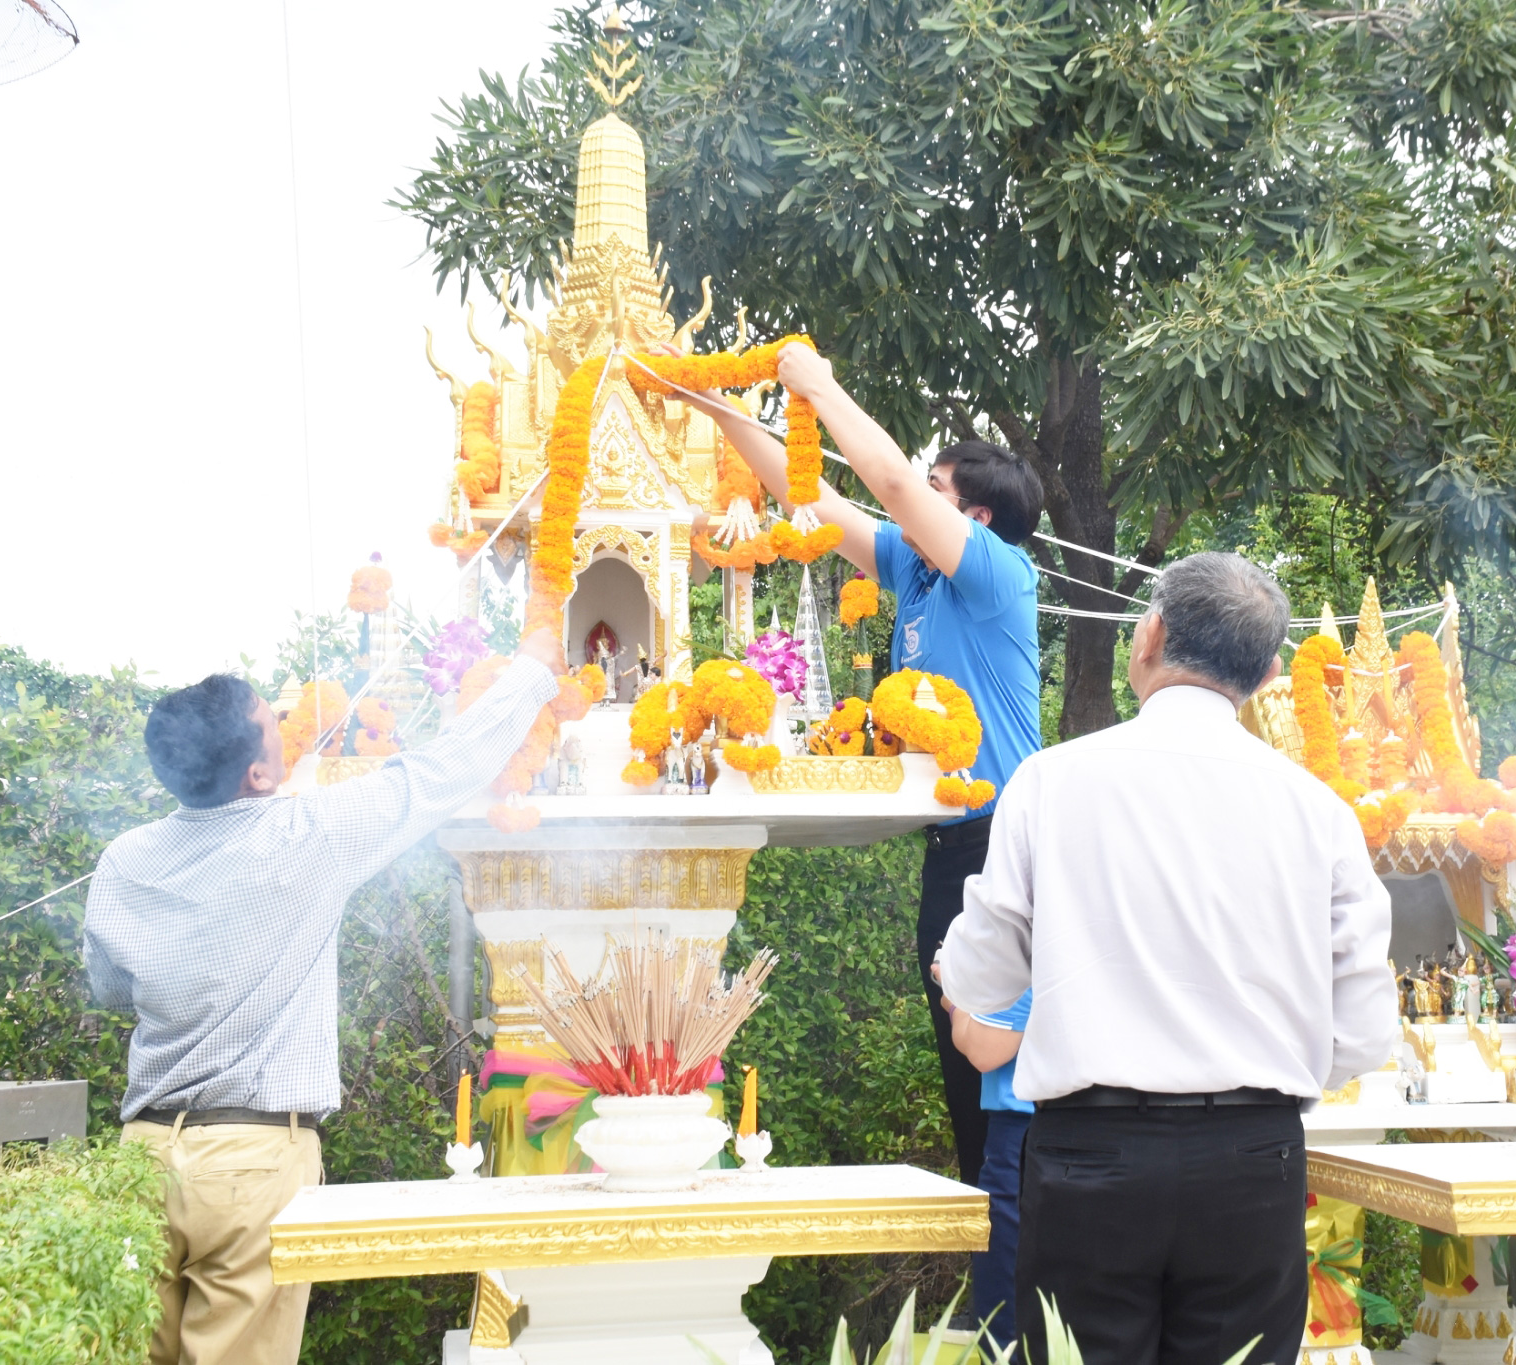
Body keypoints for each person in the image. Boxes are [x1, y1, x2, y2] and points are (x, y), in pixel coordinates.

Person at [938, 553, 1395, 1365]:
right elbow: (1362, 1034)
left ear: (1147, 635)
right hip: (1253, 1157)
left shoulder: (1050, 781)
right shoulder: (1321, 811)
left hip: (1090, 1156)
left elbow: (982, 977)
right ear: (1268, 674)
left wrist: (963, 979)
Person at [84, 628, 567, 1365]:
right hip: (251, 1163)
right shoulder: (307, 834)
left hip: (142, 1155)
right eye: (271, 721)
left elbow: (111, 988)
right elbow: (442, 769)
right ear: (256, 773)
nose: (286, 723)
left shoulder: (125, 859)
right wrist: (531, 671)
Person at [669, 342, 1045, 1190]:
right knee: (963, 1071)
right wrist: (714, 407)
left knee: (1007, 1083)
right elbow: (810, 496)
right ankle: (993, 1244)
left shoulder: (998, 574)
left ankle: (1024, 1248)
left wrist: (822, 387)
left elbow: (891, 483)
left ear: (976, 517)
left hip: (1010, 846)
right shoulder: (916, 570)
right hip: (951, 851)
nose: (918, 494)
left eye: (940, 488)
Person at [944, 980, 1034, 1348]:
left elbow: (985, 1049)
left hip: (1025, 1131)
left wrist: (955, 1000)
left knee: (1007, 1332)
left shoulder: (1029, 951)